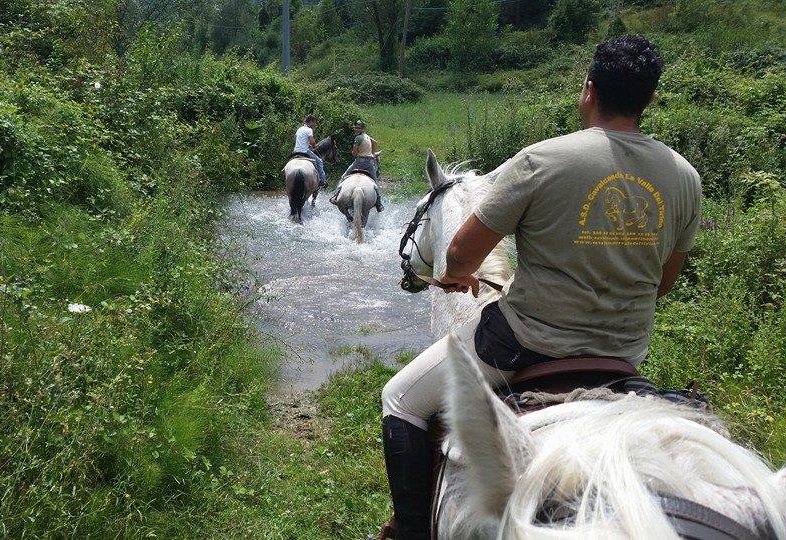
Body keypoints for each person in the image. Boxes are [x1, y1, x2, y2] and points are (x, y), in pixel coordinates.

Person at [378, 35, 702, 540]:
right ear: (649, 99)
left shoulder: (542, 159)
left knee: (399, 399)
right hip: (622, 353)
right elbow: (663, 284)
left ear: (589, 90)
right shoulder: (685, 177)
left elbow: (463, 253)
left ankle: (414, 531)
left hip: (522, 343)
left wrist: (457, 275)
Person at [331, 120, 384, 212]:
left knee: (344, 176)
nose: (356, 129)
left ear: (362, 129)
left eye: (358, 128)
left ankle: (335, 196)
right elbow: (375, 142)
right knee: (375, 182)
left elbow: (355, 153)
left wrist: (355, 152)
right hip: (370, 163)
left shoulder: (358, 138)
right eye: (355, 127)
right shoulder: (367, 136)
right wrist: (372, 153)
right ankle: (379, 204)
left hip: (359, 162)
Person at [293, 115, 328, 188]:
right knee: (319, 162)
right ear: (310, 122)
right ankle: (323, 180)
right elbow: (313, 142)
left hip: (295, 151)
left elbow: (295, 138)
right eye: (314, 123)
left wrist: (306, 144)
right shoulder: (309, 130)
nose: (315, 125)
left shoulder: (299, 129)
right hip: (304, 151)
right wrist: (314, 146)